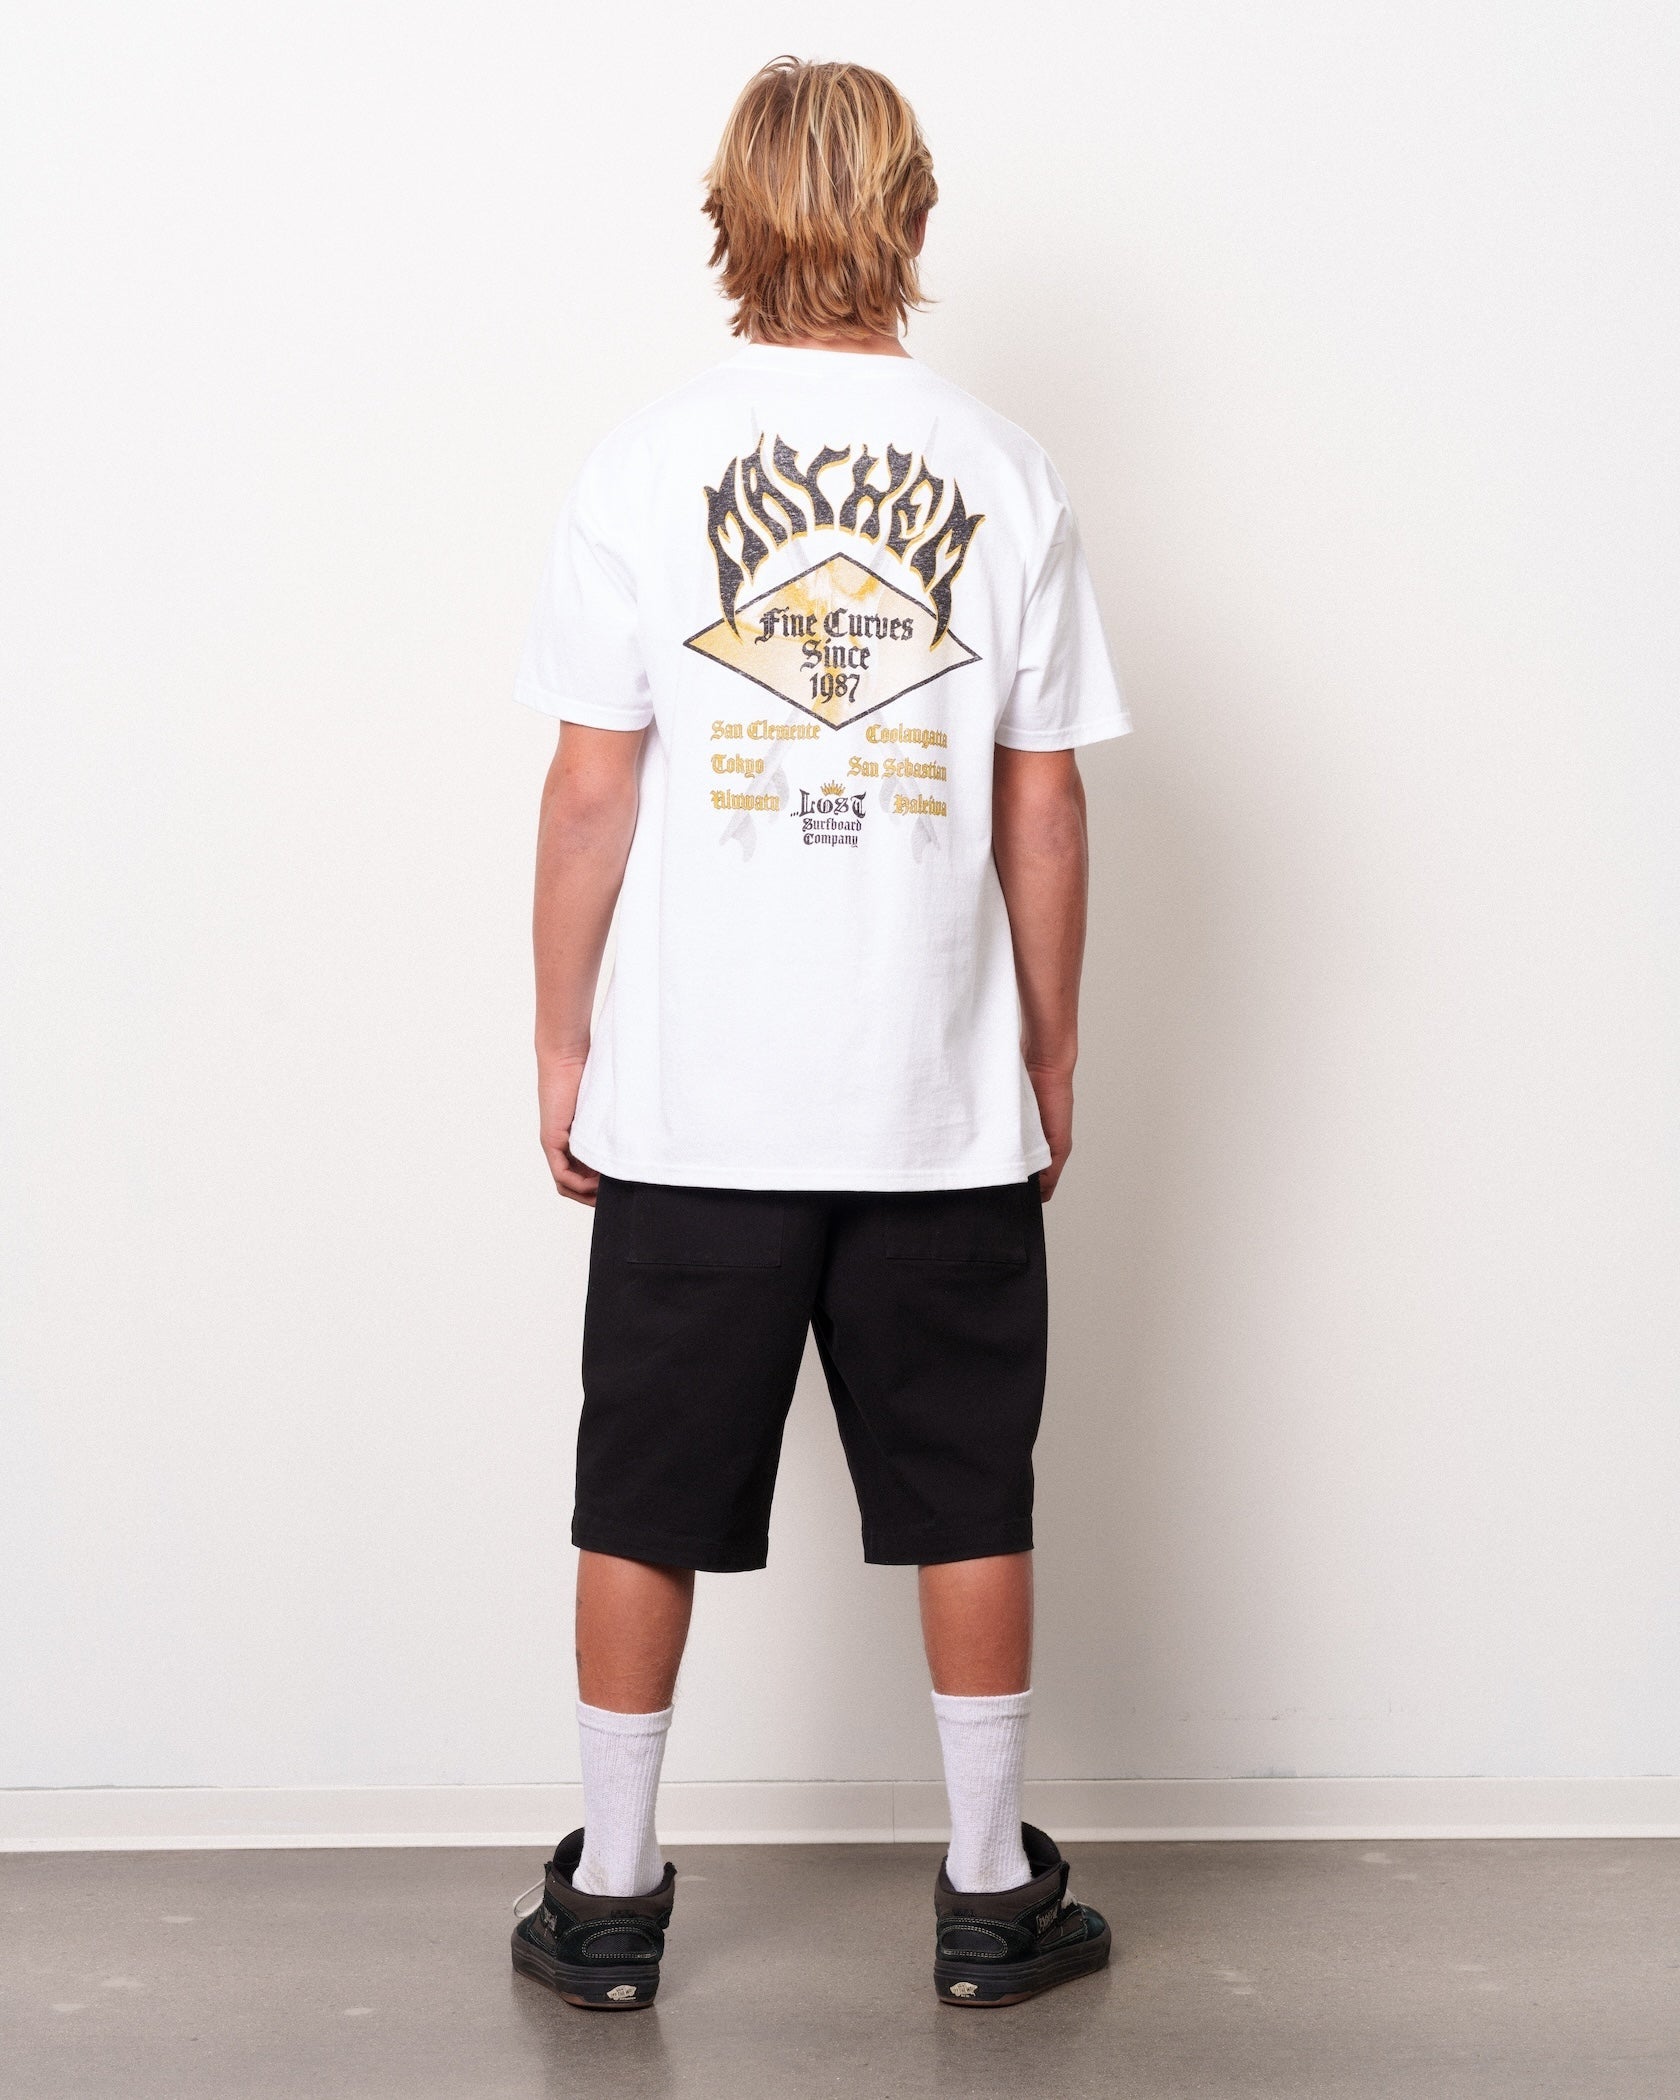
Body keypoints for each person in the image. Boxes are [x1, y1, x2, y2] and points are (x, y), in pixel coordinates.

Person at [509, 55, 1129, 2012]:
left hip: (695, 1099)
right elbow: (1044, 803)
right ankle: (988, 1893)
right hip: (931, 1096)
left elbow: (590, 792)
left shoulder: (641, 463)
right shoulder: (1007, 467)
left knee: (643, 1491)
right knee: (968, 1486)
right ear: (915, 214)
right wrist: (1047, 1047)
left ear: (727, 216)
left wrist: (561, 1041)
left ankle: (611, 1899)